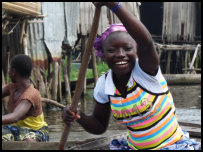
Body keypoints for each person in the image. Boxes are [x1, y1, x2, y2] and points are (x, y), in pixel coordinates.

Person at [62, 2, 201, 150]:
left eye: (127, 48)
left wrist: (114, 6)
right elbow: (99, 125)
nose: (120, 55)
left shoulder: (146, 71)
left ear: (137, 51)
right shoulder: (105, 84)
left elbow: (146, 42)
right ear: (103, 55)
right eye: (112, 50)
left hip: (173, 146)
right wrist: (78, 116)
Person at [2, 54, 49, 142]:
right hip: (17, 130)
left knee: (28, 140)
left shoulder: (31, 94)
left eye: (9, 69)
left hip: (36, 131)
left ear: (13, 72)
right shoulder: (11, 87)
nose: (8, 72)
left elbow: (15, 117)